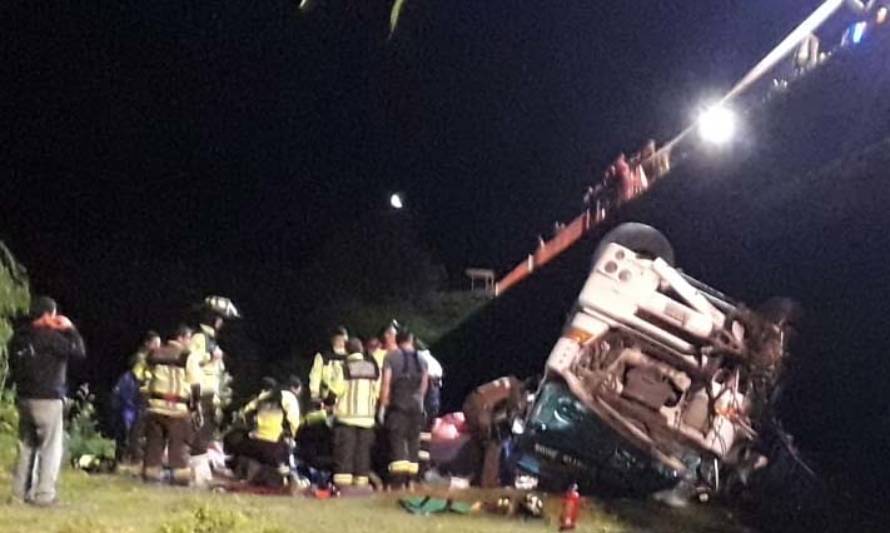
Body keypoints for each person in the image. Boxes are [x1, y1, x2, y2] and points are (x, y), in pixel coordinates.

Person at [8, 296, 85, 506]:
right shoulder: (52, 338)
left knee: (26, 446)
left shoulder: (19, 338)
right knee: (50, 447)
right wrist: (70, 329)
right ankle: (44, 495)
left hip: (24, 397)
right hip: (48, 398)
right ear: (48, 315)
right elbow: (78, 352)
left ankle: (18, 494)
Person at [189, 296, 239, 487]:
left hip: (210, 395)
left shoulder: (210, 339)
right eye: (219, 318)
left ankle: (200, 474)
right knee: (199, 436)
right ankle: (197, 477)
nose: (222, 323)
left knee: (205, 434)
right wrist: (211, 356)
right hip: (201, 393)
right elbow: (193, 363)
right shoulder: (200, 338)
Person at [143, 325, 202, 485]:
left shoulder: (154, 353)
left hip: (155, 407)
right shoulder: (187, 356)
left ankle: (150, 477)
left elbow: (145, 376)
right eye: (189, 338)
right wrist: (196, 407)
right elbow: (195, 385)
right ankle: (178, 479)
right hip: (177, 409)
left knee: (153, 447)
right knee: (178, 449)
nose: (190, 342)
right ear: (181, 338)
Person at [225, 376, 302, 485]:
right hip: (273, 448)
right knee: (287, 451)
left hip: (254, 444)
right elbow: (294, 423)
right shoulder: (289, 398)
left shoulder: (264, 396)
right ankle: (289, 479)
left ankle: (243, 474)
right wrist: (291, 436)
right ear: (294, 388)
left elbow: (244, 414)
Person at [378, 330, 428, 489]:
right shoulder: (422, 359)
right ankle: (411, 481)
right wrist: (419, 402)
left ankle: (397, 482)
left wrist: (382, 406)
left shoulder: (391, 357)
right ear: (411, 340)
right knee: (414, 441)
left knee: (397, 440)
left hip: (398, 406)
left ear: (398, 341)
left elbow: (386, 384)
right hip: (416, 406)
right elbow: (424, 385)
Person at [329, 338, 380, 491]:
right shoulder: (373, 368)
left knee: (345, 453)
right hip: (367, 418)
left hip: (347, 417)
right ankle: (361, 487)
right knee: (362, 454)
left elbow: (336, 390)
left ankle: (343, 488)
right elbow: (376, 392)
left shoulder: (343, 367)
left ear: (346, 350)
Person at [462, 376, 527, 488]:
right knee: (492, 446)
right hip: (479, 408)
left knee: (484, 446)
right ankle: (487, 483)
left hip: (474, 405)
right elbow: (513, 411)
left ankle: (478, 479)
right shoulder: (512, 385)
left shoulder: (507, 384)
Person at [116, 330, 161, 470]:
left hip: (144, 396)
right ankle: (132, 456)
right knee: (135, 426)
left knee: (141, 427)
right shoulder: (141, 359)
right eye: (154, 344)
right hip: (136, 396)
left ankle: (135, 455)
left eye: (159, 344)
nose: (157, 347)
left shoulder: (153, 359)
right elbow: (138, 377)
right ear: (147, 344)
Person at [307, 325, 349, 412]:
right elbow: (315, 376)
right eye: (338, 339)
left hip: (346, 400)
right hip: (327, 400)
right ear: (333, 340)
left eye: (343, 340)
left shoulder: (350, 358)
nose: (341, 342)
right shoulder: (323, 357)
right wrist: (314, 395)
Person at [416, 340, 443, 429]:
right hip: (434, 383)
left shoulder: (421, 358)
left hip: (431, 384)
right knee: (432, 409)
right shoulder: (430, 359)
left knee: (428, 409)